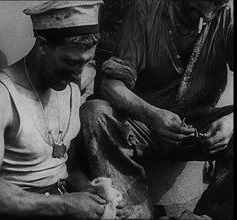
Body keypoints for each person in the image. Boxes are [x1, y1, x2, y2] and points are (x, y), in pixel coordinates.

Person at [0, 1, 119, 219]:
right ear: (43, 46)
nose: (78, 76)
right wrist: (65, 205)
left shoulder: (70, 89)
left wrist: (88, 192)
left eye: (86, 63)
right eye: (71, 61)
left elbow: (67, 165)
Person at [80, 0, 233, 218]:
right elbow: (110, 85)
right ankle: (137, 214)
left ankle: (206, 217)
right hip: (143, 125)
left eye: (218, 5)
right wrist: (153, 116)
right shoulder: (146, 8)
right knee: (94, 113)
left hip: (199, 129)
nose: (208, 15)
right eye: (203, 3)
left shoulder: (226, 15)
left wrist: (232, 121)